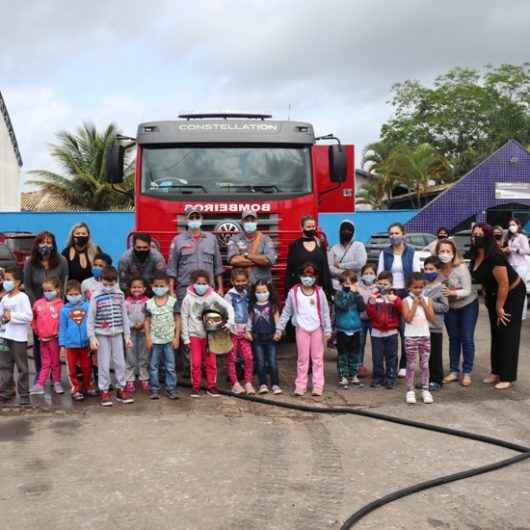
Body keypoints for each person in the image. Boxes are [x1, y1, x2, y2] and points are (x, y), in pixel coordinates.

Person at [470, 223, 525, 390]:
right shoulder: (476, 255)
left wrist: (500, 307)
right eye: (474, 234)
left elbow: (504, 284)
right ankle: (496, 371)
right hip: (494, 294)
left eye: (480, 234)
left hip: (512, 293)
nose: (475, 237)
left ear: (487, 237)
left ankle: (507, 375)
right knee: (496, 332)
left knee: (508, 333)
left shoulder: (495, 255)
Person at [276, 263, 332, 397]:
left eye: (311, 276)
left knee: (317, 358)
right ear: (300, 276)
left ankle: (318, 385)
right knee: (302, 358)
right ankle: (300, 385)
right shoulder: (294, 292)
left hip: (317, 328)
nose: (308, 278)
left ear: (315, 277)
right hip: (301, 328)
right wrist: (279, 328)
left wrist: (328, 330)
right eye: (305, 275)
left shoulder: (319, 292)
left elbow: (325, 312)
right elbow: (286, 312)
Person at [180, 269, 234, 398]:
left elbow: (228, 307)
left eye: (204, 283)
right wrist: (186, 338)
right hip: (194, 335)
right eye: (198, 283)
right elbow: (184, 317)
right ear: (193, 283)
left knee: (211, 362)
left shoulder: (213, 295)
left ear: (209, 284)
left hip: (211, 336)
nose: (201, 286)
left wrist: (230, 322)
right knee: (196, 363)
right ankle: (196, 387)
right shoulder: (187, 298)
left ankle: (211, 386)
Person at [377, 222, 421, 377]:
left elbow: (416, 275)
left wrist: (414, 295)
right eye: (391, 234)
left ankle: (404, 364)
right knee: (389, 329)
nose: (393, 236)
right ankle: (389, 365)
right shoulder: (385, 253)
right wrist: (383, 293)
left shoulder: (411, 252)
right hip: (389, 293)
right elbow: (380, 274)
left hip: (406, 294)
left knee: (405, 330)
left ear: (403, 234)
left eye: (396, 233)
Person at [23, 231, 68, 377]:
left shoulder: (62, 261)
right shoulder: (30, 262)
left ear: (53, 245)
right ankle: (39, 375)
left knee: (54, 344)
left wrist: (59, 305)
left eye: (49, 242)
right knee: (38, 344)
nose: (45, 245)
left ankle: (55, 377)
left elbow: (64, 284)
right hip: (38, 309)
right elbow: (27, 285)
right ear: (37, 245)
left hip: (56, 309)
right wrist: (35, 306)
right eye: (42, 242)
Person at [87, 266, 134, 406]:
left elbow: (124, 316)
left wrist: (127, 336)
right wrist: (92, 337)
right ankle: (104, 390)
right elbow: (91, 317)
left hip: (117, 334)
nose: (108, 287)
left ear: (116, 282)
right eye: (105, 284)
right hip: (101, 335)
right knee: (103, 363)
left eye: (111, 284)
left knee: (120, 362)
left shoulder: (120, 294)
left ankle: (121, 388)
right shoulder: (95, 295)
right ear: (100, 280)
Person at [437, 239, 478, 387]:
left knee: (466, 338)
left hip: (468, 305)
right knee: (453, 339)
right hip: (450, 307)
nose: (445, 254)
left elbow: (467, 290)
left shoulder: (460, 268)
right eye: (442, 251)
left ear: (454, 253)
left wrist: (452, 292)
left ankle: (466, 372)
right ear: (437, 252)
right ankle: (454, 371)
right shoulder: (437, 270)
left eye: (448, 251)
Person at [167, 206, 224, 308]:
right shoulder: (178, 240)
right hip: (185, 288)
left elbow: (218, 266)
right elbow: (172, 268)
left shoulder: (211, 239)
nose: (194, 220)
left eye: (197, 217)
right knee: (185, 319)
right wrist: (171, 291)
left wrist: (220, 288)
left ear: (201, 219)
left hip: (207, 288)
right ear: (186, 220)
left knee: (208, 318)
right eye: (191, 218)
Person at [0, 268, 33, 405]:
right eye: (4, 279)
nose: (5, 282)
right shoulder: (4, 298)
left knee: (22, 368)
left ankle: (24, 394)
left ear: (18, 282)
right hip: (4, 336)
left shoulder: (22, 297)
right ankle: (5, 392)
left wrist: (11, 316)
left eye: (9, 280)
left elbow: (28, 316)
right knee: (4, 365)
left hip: (18, 338)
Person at [144, 273, 179, 400]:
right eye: (156, 285)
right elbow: (147, 321)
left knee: (170, 366)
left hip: (169, 340)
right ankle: (154, 389)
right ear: (152, 286)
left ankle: (171, 389)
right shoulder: (148, 303)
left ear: (168, 286)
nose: (159, 288)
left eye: (162, 285)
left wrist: (176, 337)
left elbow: (177, 320)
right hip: (154, 341)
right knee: (153, 366)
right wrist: (148, 338)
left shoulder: (173, 302)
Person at [402, 273, 435, 405]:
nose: (418, 290)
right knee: (411, 364)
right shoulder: (406, 301)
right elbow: (408, 319)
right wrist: (415, 304)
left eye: (421, 287)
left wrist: (424, 304)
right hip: (411, 336)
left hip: (425, 335)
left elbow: (431, 317)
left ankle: (425, 389)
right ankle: (410, 390)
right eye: (415, 287)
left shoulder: (428, 300)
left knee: (425, 364)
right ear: (409, 288)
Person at [59, 280, 95, 401]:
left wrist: (91, 339)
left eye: (76, 294)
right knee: (72, 369)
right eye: (71, 294)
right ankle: (75, 389)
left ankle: (87, 386)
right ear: (66, 295)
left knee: (87, 367)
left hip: (85, 344)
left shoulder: (87, 306)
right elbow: (62, 329)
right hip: (70, 346)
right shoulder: (64, 310)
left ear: (80, 293)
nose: (73, 296)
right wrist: (62, 345)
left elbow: (91, 323)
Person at [366, 271, 402, 388]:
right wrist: (371, 303)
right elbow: (370, 314)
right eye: (380, 284)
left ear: (391, 285)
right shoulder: (374, 297)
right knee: (377, 357)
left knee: (391, 356)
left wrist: (396, 300)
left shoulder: (395, 297)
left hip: (391, 332)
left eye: (385, 284)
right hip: (377, 333)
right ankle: (377, 377)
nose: (382, 286)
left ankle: (390, 377)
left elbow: (402, 310)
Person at [30, 277, 64, 395]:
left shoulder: (61, 306)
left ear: (57, 290)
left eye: (50, 290)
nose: (47, 293)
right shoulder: (38, 304)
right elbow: (33, 318)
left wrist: (61, 336)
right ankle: (39, 384)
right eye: (45, 290)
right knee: (45, 363)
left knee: (55, 363)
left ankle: (57, 382)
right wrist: (35, 329)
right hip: (42, 339)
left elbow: (63, 323)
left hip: (54, 339)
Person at [285, 215, 333, 298]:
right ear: (302, 227)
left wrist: (328, 290)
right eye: (308, 227)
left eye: (313, 226)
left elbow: (325, 268)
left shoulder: (320, 244)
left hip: (318, 289)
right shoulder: (294, 245)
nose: (311, 229)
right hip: (299, 289)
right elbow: (290, 269)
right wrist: (288, 291)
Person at [248, 280, 282, 395]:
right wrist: (248, 331)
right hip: (257, 338)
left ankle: (275, 384)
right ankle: (263, 384)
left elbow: (278, 320)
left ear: (269, 291)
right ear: (254, 293)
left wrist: (278, 331)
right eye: (258, 292)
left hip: (271, 338)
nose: (261, 294)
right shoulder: (252, 306)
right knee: (260, 362)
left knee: (272, 362)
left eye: (264, 291)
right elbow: (249, 320)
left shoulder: (273, 306)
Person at [225, 268, 255, 395]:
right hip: (232, 332)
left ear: (247, 280)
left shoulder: (247, 295)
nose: (240, 283)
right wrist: (231, 329)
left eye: (243, 281)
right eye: (237, 281)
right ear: (232, 281)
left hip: (245, 332)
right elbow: (226, 313)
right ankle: (235, 383)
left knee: (248, 357)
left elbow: (250, 313)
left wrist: (248, 329)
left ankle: (248, 382)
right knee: (232, 358)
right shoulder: (229, 296)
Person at [227, 209, 277, 285]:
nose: (249, 222)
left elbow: (269, 260)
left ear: (257, 222)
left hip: (261, 287)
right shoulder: (234, 239)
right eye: (246, 220)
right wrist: (259, 260)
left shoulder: (266, 239)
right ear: (242, 222)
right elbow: (234, 260)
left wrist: (247, 255)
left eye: (252, 220)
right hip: (241, 286)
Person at [334, 270, 366, 389]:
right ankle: (344, 376)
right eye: (346, 283)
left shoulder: (357, 294)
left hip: (356, 328)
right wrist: (352, 293)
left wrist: (357, 294)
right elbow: (343, 306)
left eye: (352, 282)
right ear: (341, 284)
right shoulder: (338, 294)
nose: (349, 285)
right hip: (343, 328)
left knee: (355, 353)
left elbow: (362, 308)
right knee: (343, 353)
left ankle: (353, 375)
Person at [422, 257, 449, 391]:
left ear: (438, 270)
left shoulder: (442, 287)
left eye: (431, 269)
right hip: (421, 326)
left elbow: (445, 307)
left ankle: (437, 379)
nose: (428, 271)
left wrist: (428, 303)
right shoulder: (422, 286)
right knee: (424, 355)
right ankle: (426, 379)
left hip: (434, 327)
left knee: (434, 355)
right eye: (426, 269)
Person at [125, 277, 150, 394]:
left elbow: (149, 317)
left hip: (143, 332)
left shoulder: (148, 302)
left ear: (144, 289)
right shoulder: (126, 302)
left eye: (139, 287)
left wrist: (143, 324)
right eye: (134, 287)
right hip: (130, 333)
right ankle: (129, 380)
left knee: (144, 357)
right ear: (130, 289)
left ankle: (144, 378)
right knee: (130, 357)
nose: (136, 289)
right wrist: (131, 325)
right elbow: (123, 317)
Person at [328, 220, 367, 292]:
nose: (346, 232)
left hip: (355, 285)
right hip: (337, 286)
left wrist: (341, 265)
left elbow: (360, 264)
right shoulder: (334, 248)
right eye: (343, 230)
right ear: (339, 231)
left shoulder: (359, 246)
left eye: (349, 230)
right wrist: (344, 274)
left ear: (353, 232)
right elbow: (330, 267)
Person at [504, 218, 529, 320]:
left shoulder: (522, 237)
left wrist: (513, 249)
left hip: (521, 265)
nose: (511, 226)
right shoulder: (510, 237)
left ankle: (522, 314)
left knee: (520, 289)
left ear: (518, 225)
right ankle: (513, 311)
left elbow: (527, 250)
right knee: (512, 289)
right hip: (511, 265)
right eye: (510, 225)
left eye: (513, 224)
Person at [356, 263, 378, 377]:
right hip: (360, 319)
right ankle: (359, 366)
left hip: (374, 320)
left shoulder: (378, 288)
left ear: (375, 275)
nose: (368, 275)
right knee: (360, 343)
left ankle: (377, 367)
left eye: (371, 273)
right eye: (366, 273)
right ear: (361, 275)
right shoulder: (357, 287)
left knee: (376, 343)